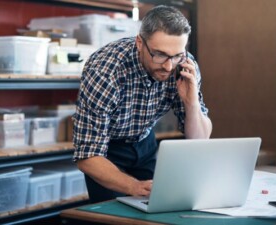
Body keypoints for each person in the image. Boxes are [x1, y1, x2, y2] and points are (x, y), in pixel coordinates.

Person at [72, 5, 212, 203]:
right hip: (106, 152)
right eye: (160, 54)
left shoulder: (184, 65)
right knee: (115, 217)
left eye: (177, 55)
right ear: (139, 42)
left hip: (145, 142)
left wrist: (192, 104)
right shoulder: (106, 71)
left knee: (160, 208)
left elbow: (199, 139)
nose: (168, 66)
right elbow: (87, 156)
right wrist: (134, 186)